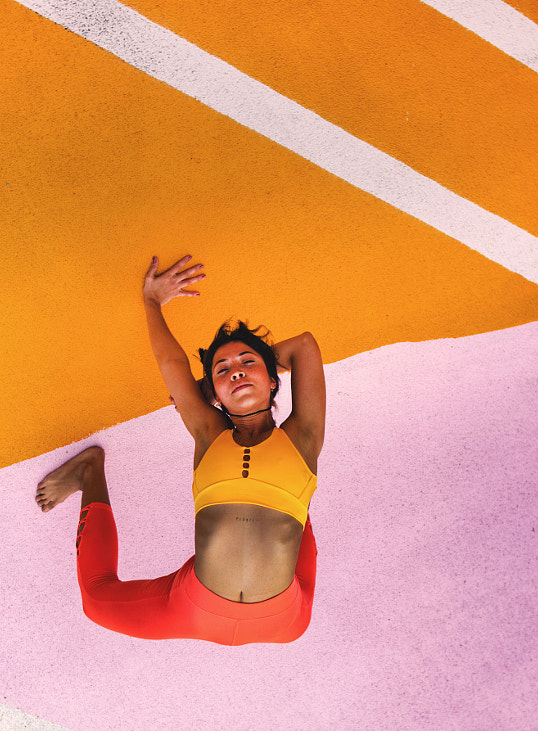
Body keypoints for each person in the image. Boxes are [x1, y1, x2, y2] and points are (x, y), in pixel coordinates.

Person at [35, 255, 326, 644]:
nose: (236, 370)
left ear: (274, 380)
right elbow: (170, 361)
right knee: (95, 599)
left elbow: (305, 346)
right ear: (217, 397)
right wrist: (151, 302)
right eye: (222, 370)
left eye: (247, 362)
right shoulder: (208, 432)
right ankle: (90, 470)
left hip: (282, 616)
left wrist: (213, 382)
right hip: (210, 608)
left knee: (296, 504)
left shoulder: (303, 435)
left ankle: (87, 469)